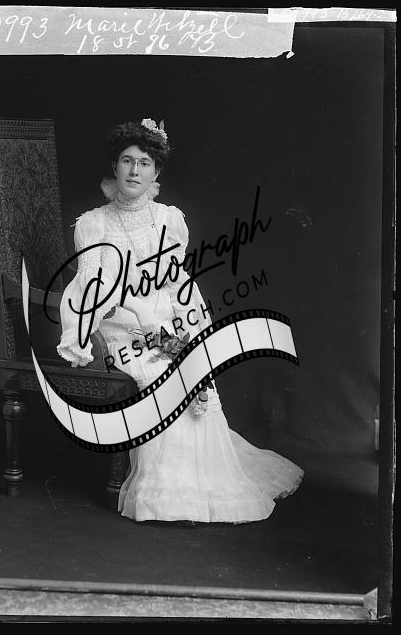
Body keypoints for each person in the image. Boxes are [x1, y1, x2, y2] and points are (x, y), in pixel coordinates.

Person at [57, 118, 303, 524]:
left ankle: (201, 491)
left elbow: (176, 283)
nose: (134, 171)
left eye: (145, 163)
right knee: (159, 374)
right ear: (115, 166)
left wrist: (184, 328)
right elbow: (93, 290)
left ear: (156, 172)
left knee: (195, 368)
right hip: (120, 323)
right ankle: (165, 497)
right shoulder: (93, 223)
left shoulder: (169, 219)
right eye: (127, 161)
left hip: (165, 319)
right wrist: (142, 319)